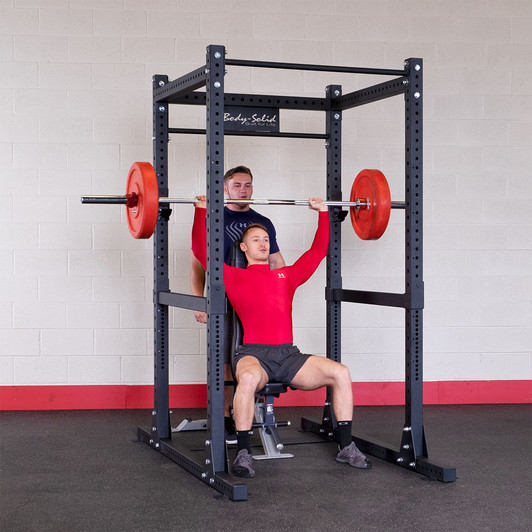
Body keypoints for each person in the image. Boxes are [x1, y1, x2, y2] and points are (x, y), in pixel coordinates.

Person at [192, 195, 372, 478]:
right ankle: (243, 451)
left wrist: (323, 212)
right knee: (249, 379)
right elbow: (202, 252)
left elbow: (318, 251)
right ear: (243, 247)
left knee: (341, 373)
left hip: (288, 355)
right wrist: (200, 211)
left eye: (265, 238)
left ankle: (346, 445)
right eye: (255, 240)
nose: (263, 243)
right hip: (252, 354)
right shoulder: (233, 276)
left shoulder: (286, 276)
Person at [189, 166, 285, 443]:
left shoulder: (262, 221)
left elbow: (277, 261)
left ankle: (242, 411)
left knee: (254, 355)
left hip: (256, 301)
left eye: (248, 185)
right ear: (224, 189)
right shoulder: (213, 217)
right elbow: (198, 261)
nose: (243, 190)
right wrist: (198, 298)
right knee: (225, 360)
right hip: (224, 298)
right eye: (237, 185)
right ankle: (225, 417)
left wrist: (281, 293)